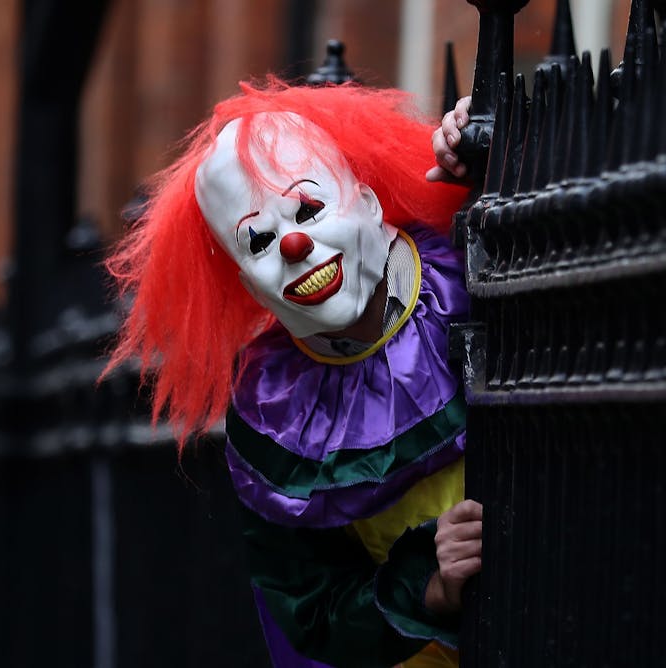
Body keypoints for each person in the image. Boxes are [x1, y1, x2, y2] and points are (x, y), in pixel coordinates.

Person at [103, 79, 482, 668]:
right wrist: (426, 586)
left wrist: (491, 147)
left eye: (308, 209)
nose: (295, 244)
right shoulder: (273, 414)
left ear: (368, 202)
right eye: (258, 241)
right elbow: (312, 609)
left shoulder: (472, 269)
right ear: (247, 283)